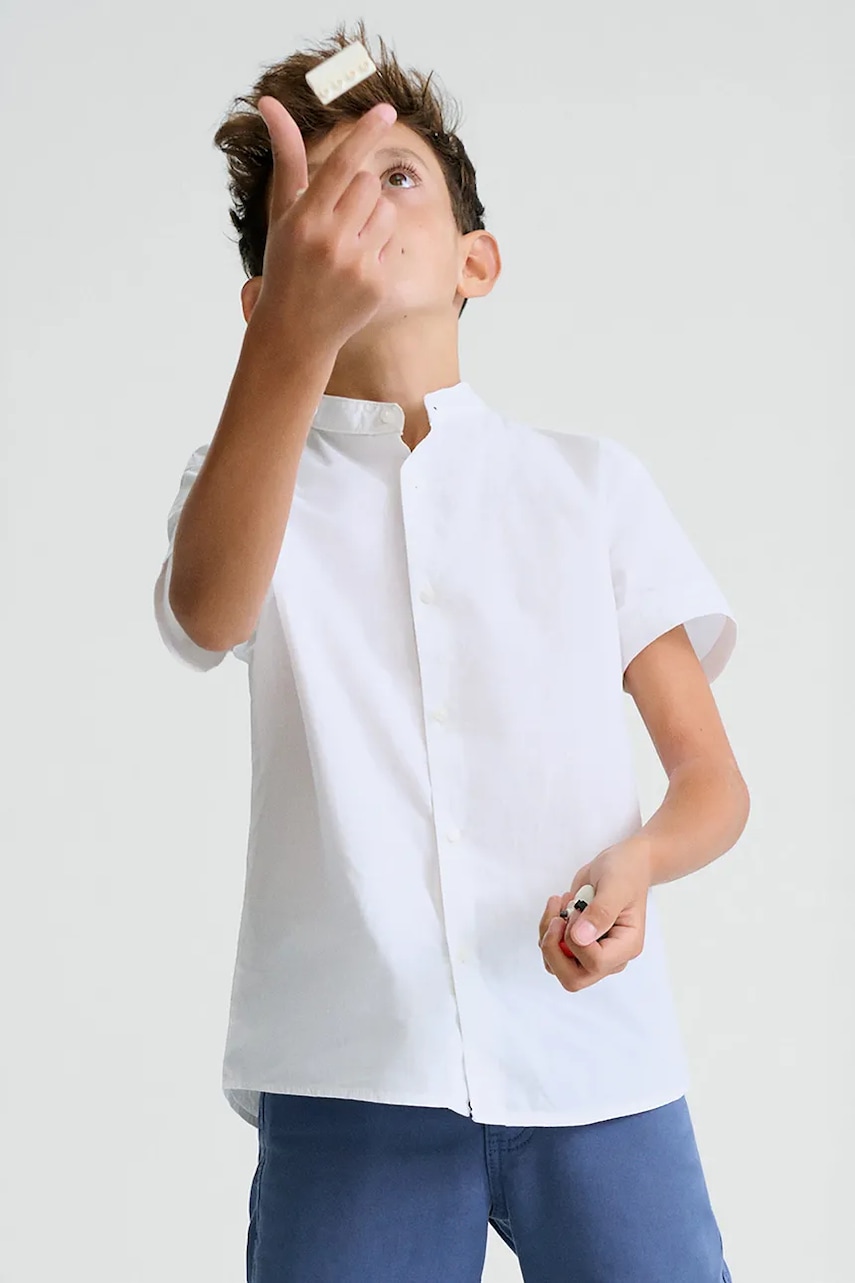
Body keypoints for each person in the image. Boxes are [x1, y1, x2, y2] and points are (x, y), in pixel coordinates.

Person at [154, 19, 748, 1283]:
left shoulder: (589, 486)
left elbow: (712, 779)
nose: (360, 210)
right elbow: (206, 611)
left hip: (596, 1060)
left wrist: (640, 859)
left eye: (397, 176)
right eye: (318, 199)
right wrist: (290, 341)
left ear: (479, 258)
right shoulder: (247, 484)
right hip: (351, 1066)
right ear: (263, 295)